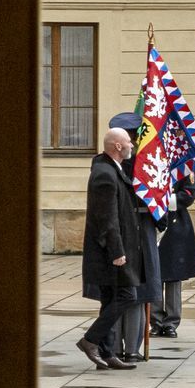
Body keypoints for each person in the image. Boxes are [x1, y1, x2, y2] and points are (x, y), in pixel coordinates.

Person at [77, 127, 145, 371]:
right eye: (128, 141)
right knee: (127, 296)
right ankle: (90, 340)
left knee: (110, 299)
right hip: (109, 253)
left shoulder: (112, 169)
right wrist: (116, 252)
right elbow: (107, 218)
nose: (132, 145)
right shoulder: (105, 174)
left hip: (112, 250)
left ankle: (107, 353)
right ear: (117, 146)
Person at [104, 113, 163, 362]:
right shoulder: (144, 161)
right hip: (139, 231)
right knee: (137, 293)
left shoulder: (111, 164)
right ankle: (131, 348)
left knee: (122, 291)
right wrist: (162, 218)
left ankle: (118, 347)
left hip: (122, 232)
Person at [153, 168, 195, 336]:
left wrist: (164, 200)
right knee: (155, 272)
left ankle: (171, 322)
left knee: (173, 274)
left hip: (175, 223)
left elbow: (189, 193)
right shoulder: (152, 160)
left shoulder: (185, 164)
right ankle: (155, 320)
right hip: (153, 220)